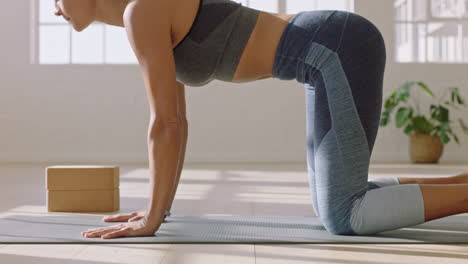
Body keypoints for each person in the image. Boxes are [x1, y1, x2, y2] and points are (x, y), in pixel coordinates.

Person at [54, 0, 468, 240]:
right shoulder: (142, 14)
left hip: (335, 48)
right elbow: (175, 122)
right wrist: (154, 211)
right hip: (328, 53)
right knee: (340, 201)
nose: (53, 8)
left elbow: (166, 125)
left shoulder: (141, 12)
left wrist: (151, 219)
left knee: (345, 215)